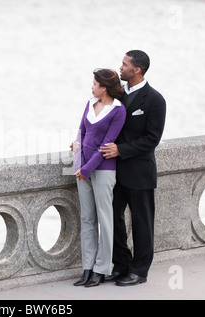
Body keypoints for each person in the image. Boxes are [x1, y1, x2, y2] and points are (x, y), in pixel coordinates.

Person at [99, 50, 166, 286]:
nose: (121, 67)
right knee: (113, 219)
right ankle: (122, 265)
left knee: (142, 223)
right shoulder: (117, 95)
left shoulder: (155, 100)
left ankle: (140, 271)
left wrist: (121, 150)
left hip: (140, 171)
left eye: (125, 64)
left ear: (137, 69)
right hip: (113, 171)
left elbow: (152, 138)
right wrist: (82, 143)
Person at [70, 68, 126, 287]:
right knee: (87, 218)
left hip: (102, 169)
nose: (91, 87)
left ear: (104, 87)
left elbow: (107, 145)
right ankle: (87, 267)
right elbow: (82, 131)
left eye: (94, 84)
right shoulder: (90, 103)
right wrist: (77, 152)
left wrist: (87, 169)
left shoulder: (118, 110)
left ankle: (101, 269)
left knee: (105, 219)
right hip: (82, 167)